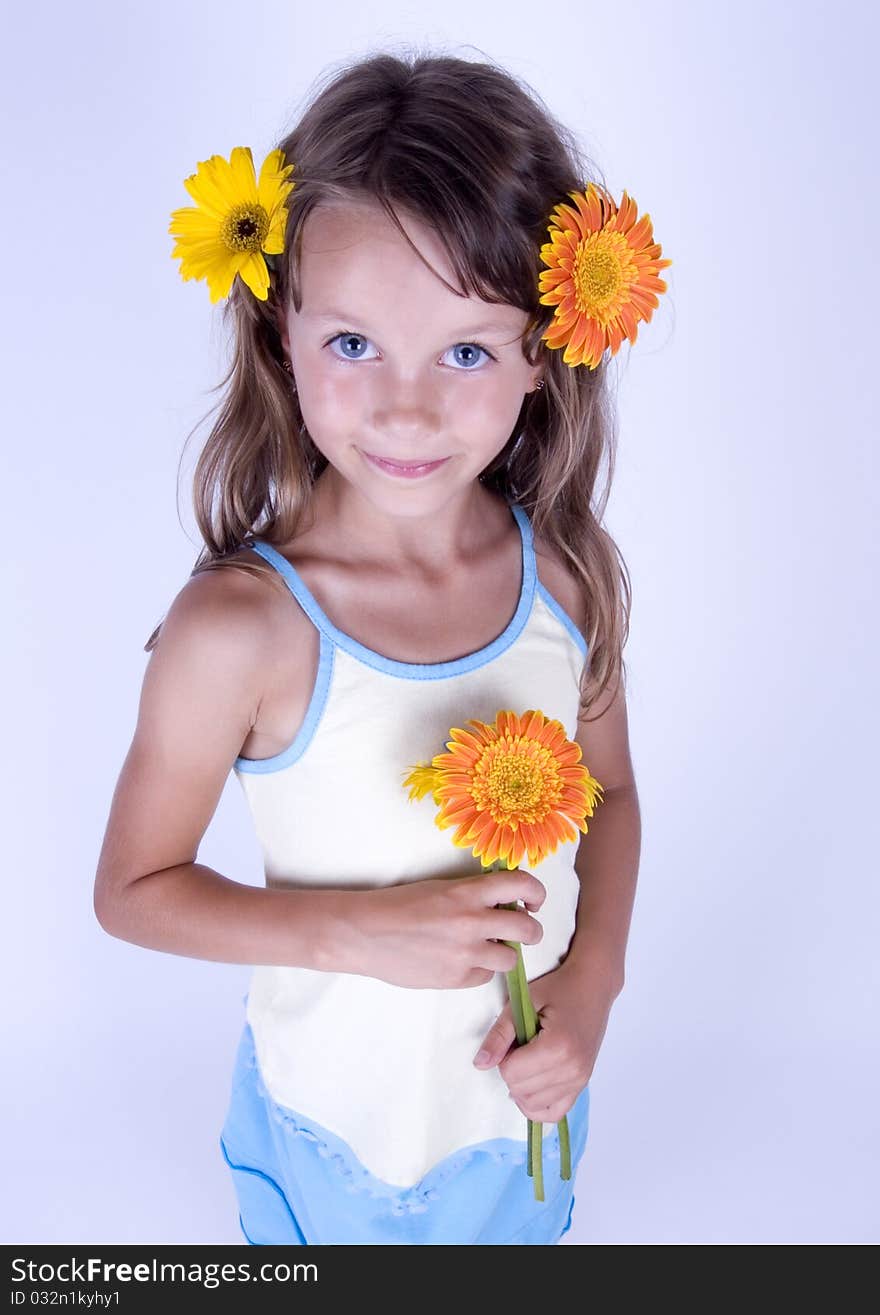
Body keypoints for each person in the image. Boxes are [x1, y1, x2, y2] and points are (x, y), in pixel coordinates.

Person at [94, 50, 668, 1245]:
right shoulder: (241, 632)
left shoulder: (562, 574)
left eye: (465, 352)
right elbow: (133, 893)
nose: (406, 409)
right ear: (280, 331)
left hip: (514, 1133)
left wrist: (592, 985)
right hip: (337, 1138)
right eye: (353, 344)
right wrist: (354, 932)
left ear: (541, 355)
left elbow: (607, 794)